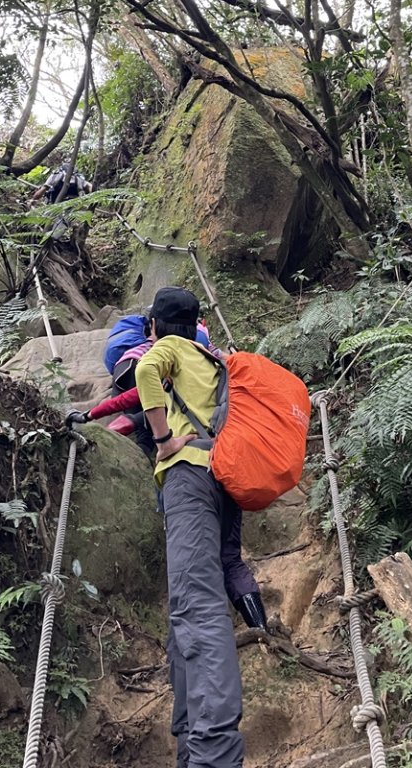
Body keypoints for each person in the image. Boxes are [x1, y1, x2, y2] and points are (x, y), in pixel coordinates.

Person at [69, 323, 268, 630]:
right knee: (230, 558)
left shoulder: (168, 367)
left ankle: (208, 643)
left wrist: (90, 416)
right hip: (227, 466)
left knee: (195, 563)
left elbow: (132, 397)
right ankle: (261, 630)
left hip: (188, 470)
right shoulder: (219, 367)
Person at [135, 286, 249, 768]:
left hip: (189, 479)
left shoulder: (167, 350)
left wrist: (162, 440)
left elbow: (142, 371)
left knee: (197, 607)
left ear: (156, 326)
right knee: (188, 607)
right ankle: (190, 747)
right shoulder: (212, 358)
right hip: (224, 481)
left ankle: (214, 756)